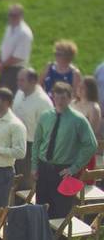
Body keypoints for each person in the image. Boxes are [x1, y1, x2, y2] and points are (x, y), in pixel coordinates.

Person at [32, 82, 97, 218]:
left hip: (63, 171)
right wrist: (34, 166)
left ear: (70, 98)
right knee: (40, 209)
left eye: (63, 98)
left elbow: (91, 145)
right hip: (44, 168)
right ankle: (41, 238)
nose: (60, 102)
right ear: (53, 97)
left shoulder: (78, 120)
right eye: (57, 98)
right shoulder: (45, 116)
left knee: (61, 211)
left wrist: (75, 168)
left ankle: (59, 239)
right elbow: (37, 142)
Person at [12, 67, 55, 191]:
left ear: (33, 81)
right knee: (15, 180)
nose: (18, 83)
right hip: (16, 142)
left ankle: (24, 209)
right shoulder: (20, 92)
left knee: (25, 183)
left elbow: (48, 130)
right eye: (18, 80)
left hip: (31, 147)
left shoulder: (43, 102)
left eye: (22, 80)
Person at [0, 4, 33, 90]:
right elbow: (3, 47)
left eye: (14, 15)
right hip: (4, 69)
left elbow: (18, 57)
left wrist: (2, 65)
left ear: (21, 16)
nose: (11, 18)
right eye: (10, 15)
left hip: (15, 71)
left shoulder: (24, 33)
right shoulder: (9, 28)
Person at [73, 77, 102, 178]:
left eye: (83, 88)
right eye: (79, 87)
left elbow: (91, 131)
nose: (79, 89)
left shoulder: (93, 107)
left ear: (90, 90)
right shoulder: (73, 103)